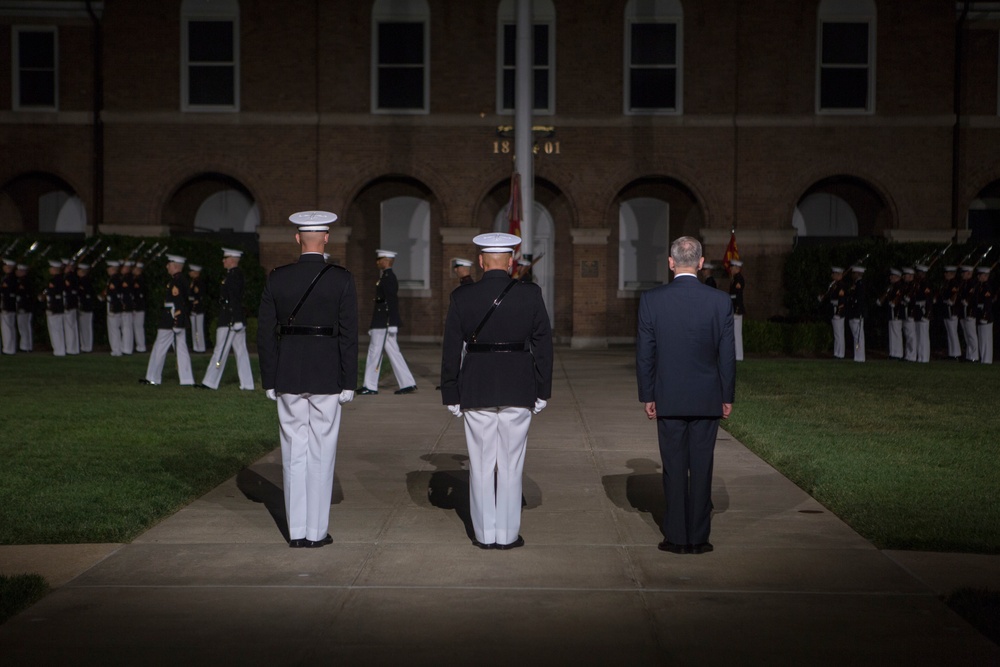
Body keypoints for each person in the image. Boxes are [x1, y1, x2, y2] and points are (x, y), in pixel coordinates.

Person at [440, 232, 553, 550]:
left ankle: (484, 534)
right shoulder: (530, 294)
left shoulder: (462, 297)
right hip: (518, 384)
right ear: (511, 262)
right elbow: (543, 345)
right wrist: (543, 388)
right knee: (511, 464)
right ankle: (507, 534)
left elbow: (450, 349)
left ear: (480, 261)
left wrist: (451, 391)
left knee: (480, 464)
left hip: (476, 385)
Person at [258, 210, 358, 548]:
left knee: (293, 453)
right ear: (326, 238)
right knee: (322, 453)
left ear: (297, 238)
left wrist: (269, 378)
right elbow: (349, 335)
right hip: (327, 372)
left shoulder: (278, 277)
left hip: (288, 371)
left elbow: (264, 335)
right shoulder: (341, 279)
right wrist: (349, 380)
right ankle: (316, 532)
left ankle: (296, 531)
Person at [636, 236, 736, 556]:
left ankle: (677, 536)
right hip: (707, 395)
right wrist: (727, 395)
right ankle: (699, 537)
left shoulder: (652, 300)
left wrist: (647, 394)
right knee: (702, 465)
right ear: (701, 262)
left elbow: (645, 354)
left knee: (674, 466)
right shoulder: (719, 302)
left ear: (671, 262)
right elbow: (727, 355)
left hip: (669, 395)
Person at [357, 249, 417, 395]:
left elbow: (392, 301)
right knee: (394, 353)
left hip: (384, 322)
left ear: (387, 261)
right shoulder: (386, 276)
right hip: (382, 321)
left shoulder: (388, 277)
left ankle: (370, 386)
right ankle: (407, 383)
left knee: (374, 352)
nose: (378, 262)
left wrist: (393, 323)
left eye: (380, 260)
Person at [200, 248, 254, 391]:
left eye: (226, 258)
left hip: (230, 319)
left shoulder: (234, 276)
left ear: (232, 260)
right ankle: (247, 384)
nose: (223, 260)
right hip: (233, 317)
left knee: (220, 350)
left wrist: (235, 319)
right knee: (241, 351)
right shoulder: (232, 275)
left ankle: (210, 382)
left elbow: (235, 299)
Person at [141, 254, 194, 386]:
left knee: (160, 348)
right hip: (174, 318)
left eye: (169, 264)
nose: (167, 266)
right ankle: (186, 379)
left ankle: (153, 377)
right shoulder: (179, 280)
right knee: (181, 349)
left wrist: (176, 321)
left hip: (171, 319)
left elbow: (179, 303)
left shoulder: (177, 281)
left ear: (175, 266)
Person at [876, 268, 904, 361]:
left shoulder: (899, 286)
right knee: (892, 333)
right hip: (891, 312)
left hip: (896, 312)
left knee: (896, 333)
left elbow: (898, 298)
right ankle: (893, 352)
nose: (890, 277)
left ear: (898, 277)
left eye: (893, 276)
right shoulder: (892, 286)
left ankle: (898, 354)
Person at [819, 266, 847, 359]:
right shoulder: (834, 285)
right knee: (837, 333)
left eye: (834, 274)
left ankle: (840, 354)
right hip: (833, 309)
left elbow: (842, 300)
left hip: (837, 310)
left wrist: (839, 312)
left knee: (839, 333)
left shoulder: (841, 285)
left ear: (838, 275)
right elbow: (829, 295)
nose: (832, 275)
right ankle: (837, 353)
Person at [936, 265, 962, 361]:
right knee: (949, 332)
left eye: (947, 273)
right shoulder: (947, 283)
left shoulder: (953, 283)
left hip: (952, 310)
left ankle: (956, 354)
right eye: (945, 273)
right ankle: (952, 353)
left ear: (952, 274)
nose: (945, 274)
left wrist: (951, 301)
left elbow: (954, 294)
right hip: (946, 309)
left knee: (952, 332)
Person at [972, 266, 995, 364]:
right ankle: (983, 359)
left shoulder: (987, 288)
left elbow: (988, 303)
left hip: (986, 315)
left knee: (986, 339)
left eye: (981, 276)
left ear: (986, 276)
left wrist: (985, 316)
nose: (979, 277)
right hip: (980, 313)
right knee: (981, 338)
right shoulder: (979, 287)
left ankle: (987, 360)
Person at [104, 260, 126, 357]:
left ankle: (116, 349)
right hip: (116, 305)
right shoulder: (117, 278)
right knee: (116, 329)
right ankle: (117, 349)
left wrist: (113, 307)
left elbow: (113, 294)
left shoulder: (114, 279)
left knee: (114, 329)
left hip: (113, 305)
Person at [845, 265, 866, 362]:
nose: (852, 275)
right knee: (856, 336)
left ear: (858, 274)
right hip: (854, 313)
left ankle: (860, 357)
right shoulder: (857, 285)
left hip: (857, 314)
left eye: (854, 273)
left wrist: (858, 313)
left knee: (858, 337)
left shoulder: (860, 285)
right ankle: (857, 356)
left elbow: (860, 301)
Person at [958, 264, 979, 362]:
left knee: (971, 335)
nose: (962, 275)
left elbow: (974, 298)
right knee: (967, 335)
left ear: (969, 273)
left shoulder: (973, 284)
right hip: (964, 311)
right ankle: (969, 355)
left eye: (964, 273)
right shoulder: (964, 283)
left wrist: (967, 301)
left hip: (970, 311)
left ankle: (974, 356)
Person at [76, 262, 96, 353]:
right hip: (85, 307)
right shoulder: (83, 281)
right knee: (84, 328)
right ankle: (85, 346)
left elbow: (86, 295)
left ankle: (87, 346)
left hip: (86, 308)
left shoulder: (85, 281)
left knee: (86, 328)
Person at [61, 259, 80, 355]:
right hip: (71, 304)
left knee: (70, 326)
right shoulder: (71, 277)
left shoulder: (69, 277)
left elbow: (70, 292)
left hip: (70, 304)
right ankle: (73, 348)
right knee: (71, 326)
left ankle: (71, 348)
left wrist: (68, 305)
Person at [188, 263, 207, 353]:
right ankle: (196, 346)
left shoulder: (199, 283)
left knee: (198, 329)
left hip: (198, 309)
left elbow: (199, 296)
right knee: (194, 329)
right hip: (193, 308)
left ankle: (201, 347)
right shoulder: (193, 282)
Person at [728, 260, 745, 361]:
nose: (731, 269)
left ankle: (739, 356)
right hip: (734, 307)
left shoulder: (738, 279)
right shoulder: (735, 278)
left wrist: (736, 308)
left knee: (737, 333)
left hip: (736, 308)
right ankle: (737, 355)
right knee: (735, 333)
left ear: (737, 268)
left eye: (732, 267)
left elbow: (737, 296)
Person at [15, 263, 33, 352]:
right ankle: (26, 346)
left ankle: (25, 346)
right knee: (25, 327)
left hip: (24, 307)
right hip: (25, 307)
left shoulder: (24, 281)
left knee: (23, 327)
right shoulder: (22, 281)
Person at [0, 258, 17, 354]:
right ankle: (9, 347)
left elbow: (6, 291)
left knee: (7, 327)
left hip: (8, 305)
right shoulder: (9, 277)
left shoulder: (9, 278)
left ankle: (8, 348)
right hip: (9, 305)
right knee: (9, 327)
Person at [131, 261, 147, 353]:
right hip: (137, 307)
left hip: (139, 307)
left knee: (138, 327)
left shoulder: (140, 280)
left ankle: (141, 346)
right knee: (137, 327)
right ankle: (139, 345)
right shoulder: (136, 279)